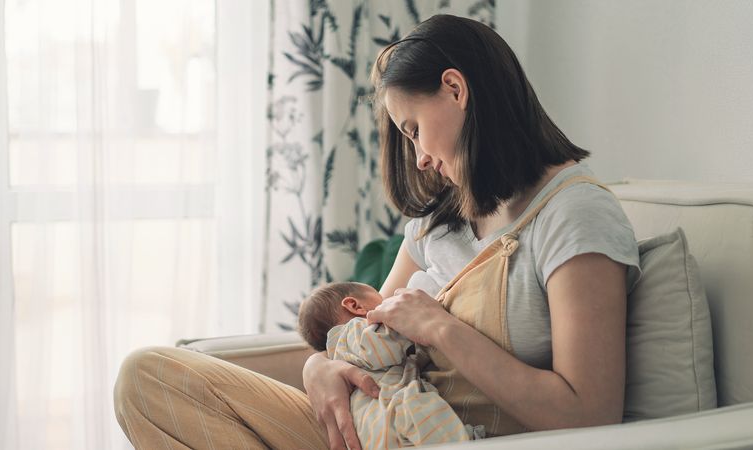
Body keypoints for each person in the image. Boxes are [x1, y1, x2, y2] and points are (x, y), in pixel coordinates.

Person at [113, 14, 640, 450]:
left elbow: (588, 414)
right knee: (147, 378)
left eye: (414, 130)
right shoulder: (440, 219)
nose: (422, 158)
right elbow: (367, 339)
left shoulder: (575, 215)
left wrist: (441, 329)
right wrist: (319, 367)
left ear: (455, 89)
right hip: (379, 426)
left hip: (454, 436)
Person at [297, 281, 485, 448]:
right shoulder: (353, 332)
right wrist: (412, 317)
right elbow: (382, 346)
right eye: (382, 299)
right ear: (354, 305)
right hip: (395, 409)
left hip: (374, 427)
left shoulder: (342, 353)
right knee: (431, 420)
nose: (389, 303)